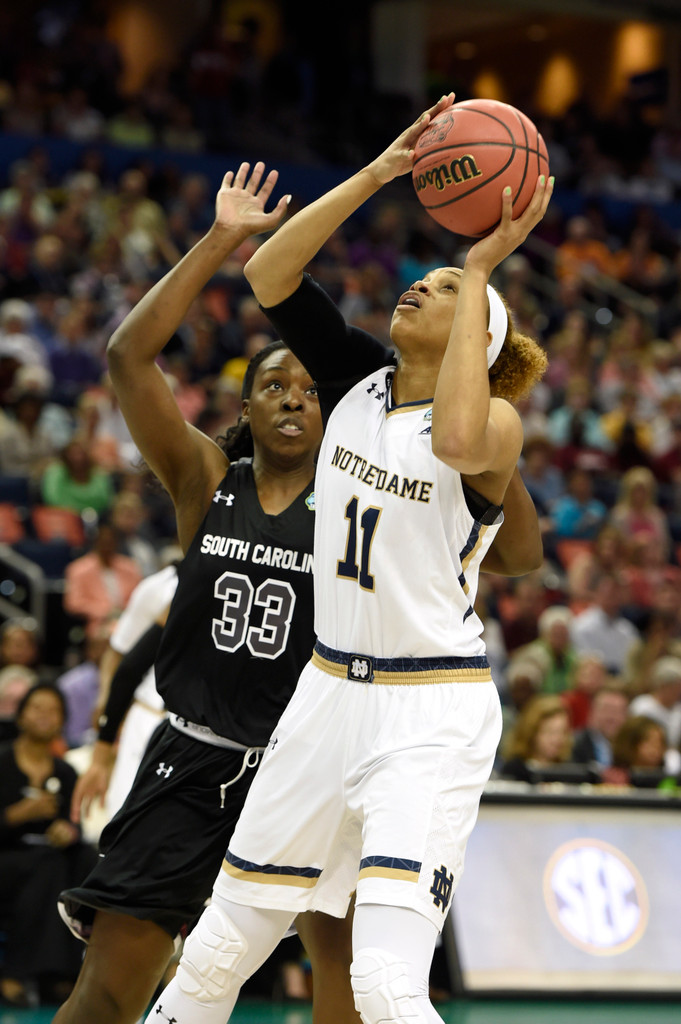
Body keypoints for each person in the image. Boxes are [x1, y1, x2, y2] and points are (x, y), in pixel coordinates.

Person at [55, 158, 542, 1024]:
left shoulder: (488, 422)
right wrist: (383, 170)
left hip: (420, 700)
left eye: (442, 290)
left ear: (478, 333)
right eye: (424, 278)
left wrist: (476, 271)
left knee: (375, 983)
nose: (419, 286)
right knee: (207, 962)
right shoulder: (350, 392)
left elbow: (469, 452)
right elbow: (269, 270)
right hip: (311, 702)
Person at [0, 684, 98, 1008]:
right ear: (21, 715)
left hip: (50, 860)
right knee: (46, 867)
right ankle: (26, 973)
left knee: (85, 860)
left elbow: (75, 823)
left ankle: (69, 971)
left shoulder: (65, 772)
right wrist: (15, 815)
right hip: (8, 857)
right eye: (37, 707)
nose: (45, 716)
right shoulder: (3, 762)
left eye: (54, 710)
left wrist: (67, 831)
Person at [499, 694, 575, 782]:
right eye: (550, 732)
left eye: (562, 732)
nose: (557, 739)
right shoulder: (514, 770)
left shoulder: (569, 771)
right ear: (532, 732)